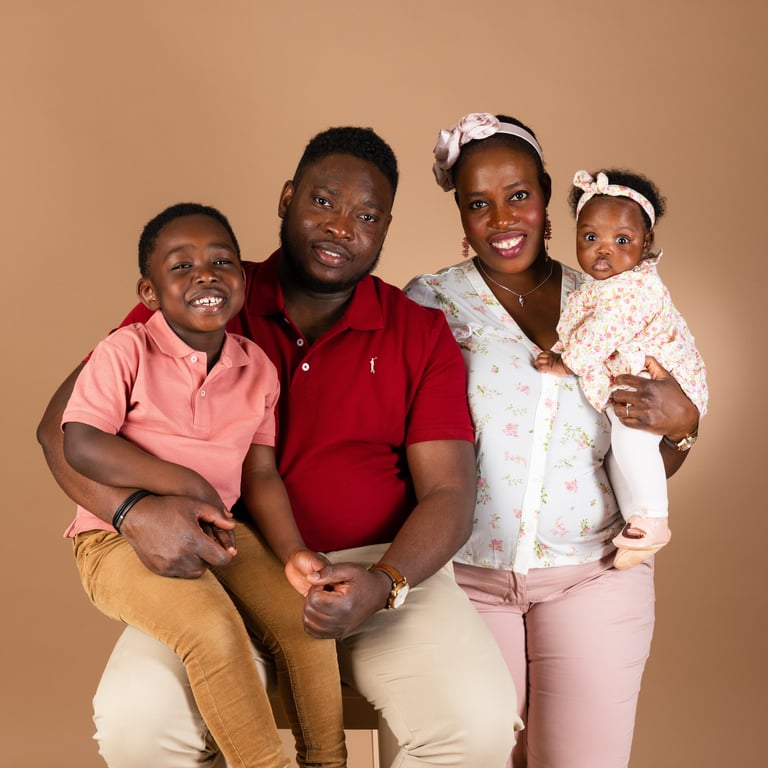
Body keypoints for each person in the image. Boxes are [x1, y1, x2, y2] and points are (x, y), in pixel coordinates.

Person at [37, 127, 521, 768]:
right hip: (219, 561)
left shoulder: (418, 331)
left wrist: (383, 583)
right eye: (323, 202)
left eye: (367, 216)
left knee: (476, 728)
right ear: (287, 198)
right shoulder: (207, 295)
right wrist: (132, 513)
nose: (342, 227)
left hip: (381, 566)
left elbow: (451, 493)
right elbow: (62, 429)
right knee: (138, 724)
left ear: (385, 228)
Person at [404, 112, 702, 768]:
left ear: (545, 196)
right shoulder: (429, 303)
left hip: (594, 577)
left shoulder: (609, 300)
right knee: (476, 754)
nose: (502, 219)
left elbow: (638, 451)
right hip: (461, 580)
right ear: (461, 215)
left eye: (518, 196)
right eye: (478, 203)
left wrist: (682, 429)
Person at [60, 202, 347, 768]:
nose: (205, 275)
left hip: (220, 530)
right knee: (214, 631)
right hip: (116, 539)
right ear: (149, 292)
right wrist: (183, 481)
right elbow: (81, 443)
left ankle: (327, 762)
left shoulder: (257, 367)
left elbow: (260, 473)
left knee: (307, 620)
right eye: (181, 266)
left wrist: (293, 553)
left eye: (221, 262)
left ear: (242, 278)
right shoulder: (125, 350)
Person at [533, 169, 708, 568]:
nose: (603, 250)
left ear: (646, 243)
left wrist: (564, 362)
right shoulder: (605, 285)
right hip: (633, 376)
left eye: (622, 240)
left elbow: (598, 335)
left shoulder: (635, 288)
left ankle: (653, 520)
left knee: (631, 442)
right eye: (590, 238)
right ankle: (635, 527)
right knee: (618, 458)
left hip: (656, 379)